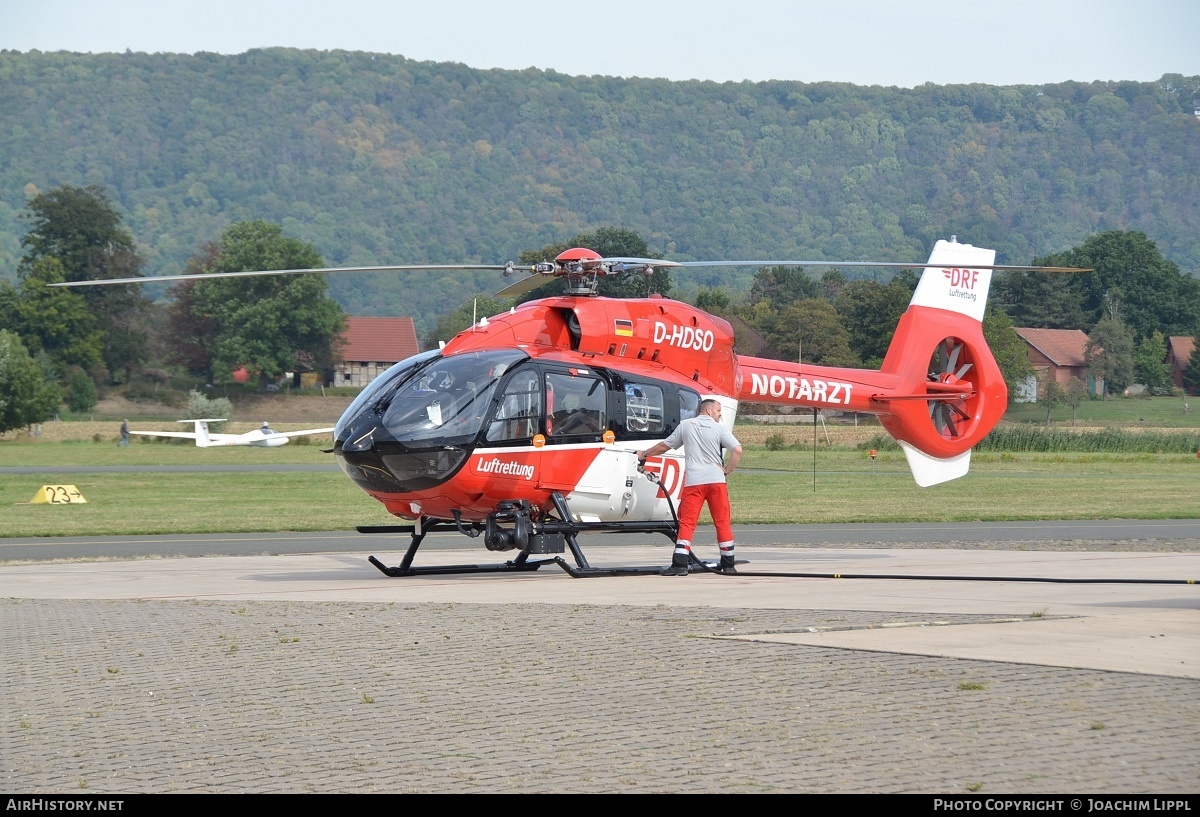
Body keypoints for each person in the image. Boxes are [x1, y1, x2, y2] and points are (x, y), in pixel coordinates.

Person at [637, 398, 742, 576]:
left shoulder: (686, 425)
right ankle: (728, 564)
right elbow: (738, 450)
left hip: (694, 482)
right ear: (709, 411)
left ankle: (680, 564)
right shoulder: (719, 429)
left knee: (687, 523)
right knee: (722, 522)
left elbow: (664, 446)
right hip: (716, 482)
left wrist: (644, 454)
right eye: (718, 411)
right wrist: (727, 470)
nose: (720, 415)